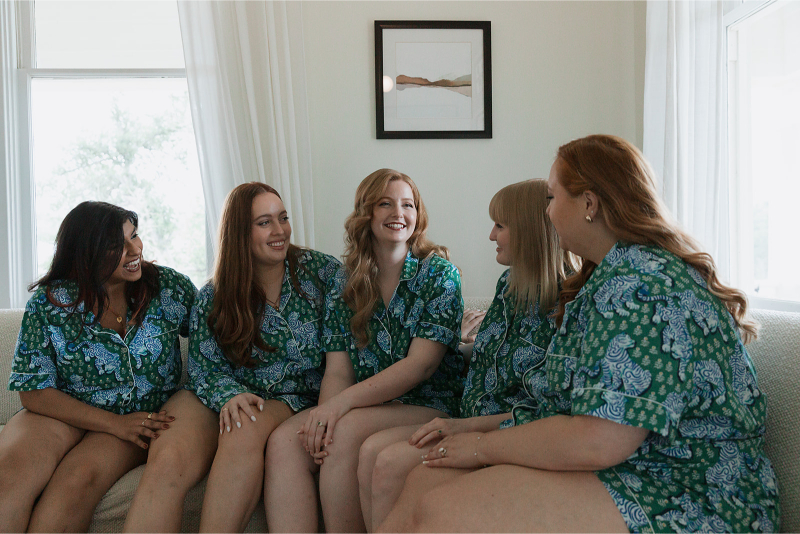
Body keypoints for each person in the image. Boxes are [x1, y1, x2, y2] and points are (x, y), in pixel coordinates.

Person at [378, 135, 780, 533]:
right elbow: (565, 411)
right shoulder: (606, 277)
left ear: (589, 204)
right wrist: (474, 431)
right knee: (424, 481)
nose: (547, 212)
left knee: (441, 510)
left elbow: (599, 440)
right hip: (626, 463)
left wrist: (483, 447)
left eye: (552, 198)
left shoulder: (643, 285)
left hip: (689, 488)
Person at [357, 179, 573, 531]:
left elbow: (547, 407)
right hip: (466, 418)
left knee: (390, 463)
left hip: (502, 434)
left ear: (529, 231)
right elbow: (499, 357)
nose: (491, 235)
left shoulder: (568, 304)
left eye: (500, 226)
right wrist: (454, 343)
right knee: (371, 452)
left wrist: (465, 428)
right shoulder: (509, 285)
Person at [125, 182, 340, 532]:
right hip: (221, 393)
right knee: (170, 454)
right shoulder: (215, 294)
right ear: (240, 231)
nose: (280, 230)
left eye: (283, 218)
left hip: (296, 397)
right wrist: (229, 395)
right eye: (264, 222)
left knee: (242, 425)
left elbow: (365, 301)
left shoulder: (322, 273)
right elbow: (203, 367)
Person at [264, 169, 464, 532]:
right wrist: (323, 415)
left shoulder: (439, 275)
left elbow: (419, 367)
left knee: (343, 430)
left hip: (431, 401)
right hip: (369, 404)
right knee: (285, 442)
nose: (398, 213)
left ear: (418, 214)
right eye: (385, 204)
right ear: (366, 214)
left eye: (407, 204)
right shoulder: (347, 280)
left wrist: (338, 408)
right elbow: (338, 370)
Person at [0, 201, 195, 533]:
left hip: (137, 418)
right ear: (85, 252)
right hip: (60, 411)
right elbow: (33, 393)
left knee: (76, 482)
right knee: (8, 478)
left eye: (135, 237)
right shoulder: (50, 303)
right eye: (117, 245)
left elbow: (217, 337)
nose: (135, 250)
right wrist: (111, 423)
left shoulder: (168, 288)